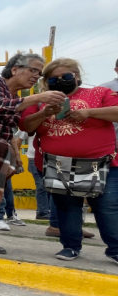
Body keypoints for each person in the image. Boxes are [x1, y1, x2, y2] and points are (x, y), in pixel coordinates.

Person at [0, 53, 66, 259]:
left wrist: (43, 112)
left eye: (39, 73)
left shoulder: (16, 97)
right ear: (15, 69)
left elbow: (16, 127)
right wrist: (38, 97)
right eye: (33, 70)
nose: (36, 76)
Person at [20, 58, 118, 263]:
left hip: (101, 164)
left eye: (66, 76)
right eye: (53, 79)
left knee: (107, 207)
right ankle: (70, 246)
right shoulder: (40, 101)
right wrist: (45, 113)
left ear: (77, 76)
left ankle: (115, 249)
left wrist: (88, 112)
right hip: (58, 165)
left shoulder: (99, 93)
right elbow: (27, 126)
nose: (60, 81)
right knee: (66, 208)